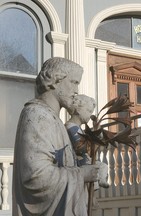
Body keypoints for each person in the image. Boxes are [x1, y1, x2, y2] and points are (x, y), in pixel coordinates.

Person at [12, 57, 103, 216]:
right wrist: (82, 174)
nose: (77, 90)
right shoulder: (36, 115)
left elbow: (63, 164)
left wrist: (89, 169)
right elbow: (36, 178)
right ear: (55, 80)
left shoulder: (56, 121)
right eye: (74, 82)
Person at [65, 94, 109, 188]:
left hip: (84, 161)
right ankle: (99, 180)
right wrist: (95, 141)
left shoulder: (77, 128)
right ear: (78, 109)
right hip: (80, 163)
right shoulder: (71, 127)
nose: (90, 114)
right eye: (89, 111)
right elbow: (80, 146)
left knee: (103, 166)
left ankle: (100, 180)